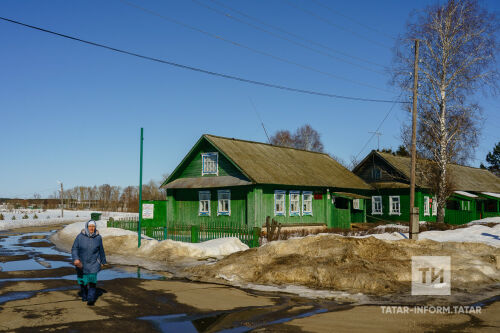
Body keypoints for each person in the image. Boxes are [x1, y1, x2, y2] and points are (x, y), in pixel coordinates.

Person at [71, 220, 106, 305]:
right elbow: (74, 249)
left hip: (93, 263)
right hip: (81, 264)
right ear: (87, 227)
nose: (92, 228)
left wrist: (103, 261)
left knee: (92, 282)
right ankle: (84, 295)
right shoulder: (80, 237)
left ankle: (91, 299)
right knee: (83, 282)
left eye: (93, 226)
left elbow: (101, 250)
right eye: (90, 226)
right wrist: (76, 259)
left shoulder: (98, 238)